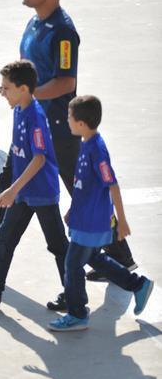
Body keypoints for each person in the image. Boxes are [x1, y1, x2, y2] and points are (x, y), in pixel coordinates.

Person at [0, 0, 137, 303]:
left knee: (84, 189)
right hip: (32, 123)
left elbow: (66, 83)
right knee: (8, 180)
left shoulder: (63, 31)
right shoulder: (34, 22)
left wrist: (28, 96)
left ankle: (119, 256)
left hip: (58, 128)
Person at [0, 60, 69, 309]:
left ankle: (74, 295)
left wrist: (12, 189)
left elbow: (40, 158)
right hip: (23, 193)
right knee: (4, 240)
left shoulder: (36, 117)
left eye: (6, 87)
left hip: (41, 194)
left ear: (23, 89)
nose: (1, 91)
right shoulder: (19, 109)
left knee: (58, 246)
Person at [48, 95, 154, 331]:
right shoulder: (86, 143)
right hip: (83, 218)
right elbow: (83, 185)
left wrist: (122, 222)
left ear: (81, 123)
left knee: (72, 264)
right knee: (94, 257)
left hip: (92, 222)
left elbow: (112, 185)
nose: (66, 121)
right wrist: (72, 210)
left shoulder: (97, 149)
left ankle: (77, 314)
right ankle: (138, 285)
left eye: (69, 117)